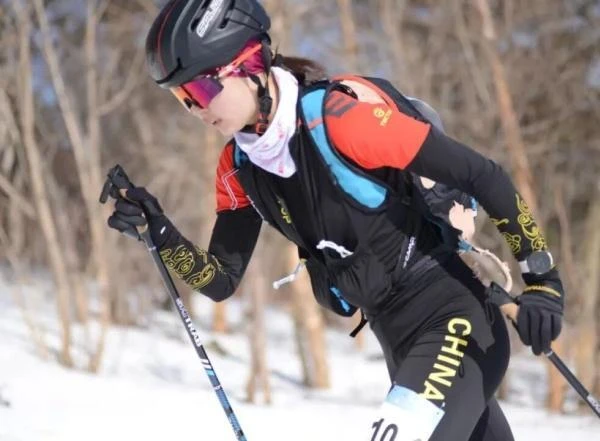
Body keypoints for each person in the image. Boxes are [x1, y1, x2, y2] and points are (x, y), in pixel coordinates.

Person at [107, 1, 565, 440]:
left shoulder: (339, 121)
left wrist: (542, 281)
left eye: (201, 90)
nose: (195, 108)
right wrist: (158, 231)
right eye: (181, 98)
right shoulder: (239, 167)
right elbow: (220, 281)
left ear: (249, 65)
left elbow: (483, 175)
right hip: (399, 342)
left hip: (454, 323)